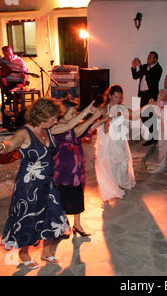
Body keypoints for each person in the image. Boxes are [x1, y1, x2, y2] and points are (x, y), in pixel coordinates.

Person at [0, 97, 96, 270]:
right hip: (29, 184)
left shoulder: (49, 129)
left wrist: (86, 112)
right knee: (28, 219)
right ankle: (23, 253)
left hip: (48, 182)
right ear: (42, 116)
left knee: (52, 217)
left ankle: (46, 251)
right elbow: (10, 145)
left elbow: (68, 126)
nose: (55, 121)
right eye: (52, 118)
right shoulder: (25, 132)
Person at [53, 99, 108, 236]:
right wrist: (93, 116)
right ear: (62, 114)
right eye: (71, 113)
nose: (74, 116)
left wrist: (102, 119)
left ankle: (77, 224)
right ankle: (62, 226)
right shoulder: (57, 128)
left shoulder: (70, 125)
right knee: (63, 198)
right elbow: (76, 133)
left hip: (76, 168)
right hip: (63, 170)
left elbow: (85, 129)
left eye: (75, 113)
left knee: (77, 196)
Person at [95, 85, 136, 208]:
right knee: (106, 167)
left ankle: (117, 184)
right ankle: (105, 196)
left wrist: (149, 106)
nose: (118, 100)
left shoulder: (121, 108)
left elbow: (135, 113)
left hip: (119, 139)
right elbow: (104, 128)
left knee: (122, 164)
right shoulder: (103, 109)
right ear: (110, 96)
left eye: (120, 97)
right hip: (106, 141)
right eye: (116, 97)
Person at [131, 51, 163, 145]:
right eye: (148, 56)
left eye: (150, 57)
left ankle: (153, 137)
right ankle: (153, 136)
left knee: (151, 116)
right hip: (143, 95)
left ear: (155, 59)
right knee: (143, 115)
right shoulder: (144, 67)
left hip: (151, 95)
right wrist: (134, 67)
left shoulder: (158, 69)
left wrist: (140, 66)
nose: (148, 58)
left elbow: (150, 77)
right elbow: (135, 76)